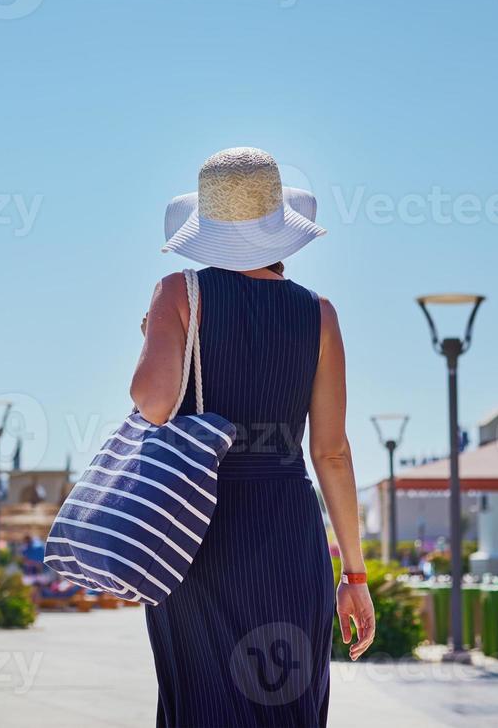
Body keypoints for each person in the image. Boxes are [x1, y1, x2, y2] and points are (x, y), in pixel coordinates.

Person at [132, 147, 374, 726]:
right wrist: (356, 576)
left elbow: (153, 403)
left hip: (194, 527)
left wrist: (152, 335)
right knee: (285, 698)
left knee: (201, 700)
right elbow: (332, 454)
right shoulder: (318, 314)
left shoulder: (177, 293)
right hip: (289, 527)